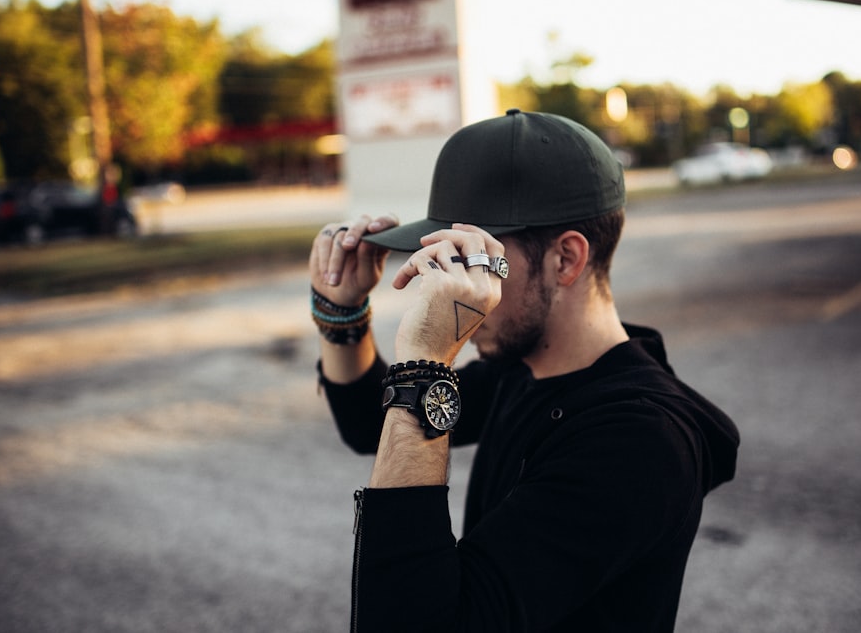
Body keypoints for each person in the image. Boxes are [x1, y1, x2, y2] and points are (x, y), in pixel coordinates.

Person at [308, 109, 739, 632]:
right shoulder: (526, 367)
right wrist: (344, 316)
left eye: (470, 259)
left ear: (565, 260)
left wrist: (426, 365)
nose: (444, 282)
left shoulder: (639, 442)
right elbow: (370, 426)